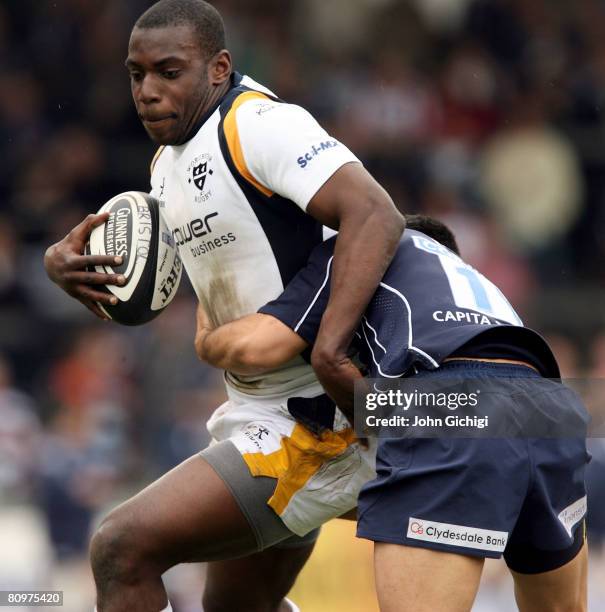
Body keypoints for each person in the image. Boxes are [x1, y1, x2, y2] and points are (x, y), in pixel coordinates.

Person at [43, 1, 405, 611]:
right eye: (137, 75)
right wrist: (63, 270)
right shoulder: (165, 165)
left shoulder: (258, 124)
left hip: (314, 420)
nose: (148, 92)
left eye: (168, 71)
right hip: (260, 407)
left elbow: (375, 213)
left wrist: (329, 351)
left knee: (120, 548)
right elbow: (200, 275)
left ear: (219, 68)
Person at [197, 215, 589, 612]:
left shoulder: (361, 249)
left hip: (450, 404)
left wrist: (206, 334)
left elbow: (256, 348)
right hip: (550, 406)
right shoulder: (468, 278)